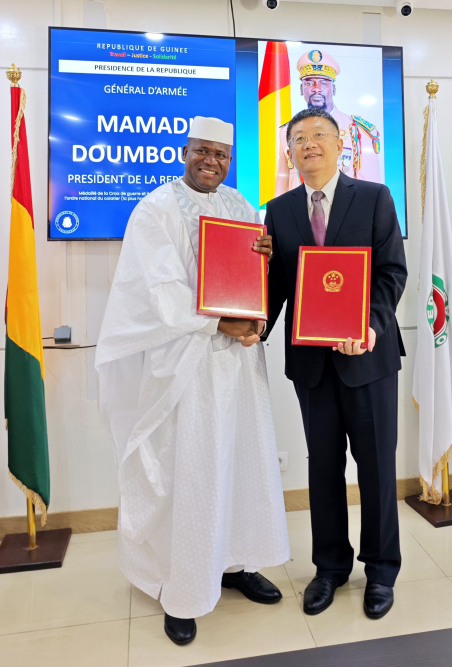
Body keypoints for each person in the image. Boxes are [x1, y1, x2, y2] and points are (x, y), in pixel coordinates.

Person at [96, 116, 290, 646]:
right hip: (184, 366)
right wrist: (219, 324)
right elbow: (158, 291)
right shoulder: (155, 209)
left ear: (230, 160)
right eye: (202, 150)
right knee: (190, 470)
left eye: (221, 154)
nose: (211, 161)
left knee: (241, 461)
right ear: (184, 152)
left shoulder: (241, 207)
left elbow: (249, 282)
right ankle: (180, 588)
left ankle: (236, 562)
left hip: (238, 366)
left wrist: (258, 298)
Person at [264, 108, 407, 620]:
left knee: (376, 466)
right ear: (289, 152)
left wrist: (369, 326)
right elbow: (277, 286)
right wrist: (252, 323)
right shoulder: (278, 210)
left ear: (340, 142)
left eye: (319, 134)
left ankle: (381, 570)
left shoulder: (374, 197)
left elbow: (391, 272)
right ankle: (329, 568)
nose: (309, 144)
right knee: (322, 467)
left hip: (367, 358)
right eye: (299, 138)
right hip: (312, 366)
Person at [275, 49, 381, 197]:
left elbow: (370, 193)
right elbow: (282, 188)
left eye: (324, 83)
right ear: (301, 89)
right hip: (298, 211)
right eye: (309, 83)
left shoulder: (358, 131)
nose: (316, 89)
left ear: (334, 88)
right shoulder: (287, 131)